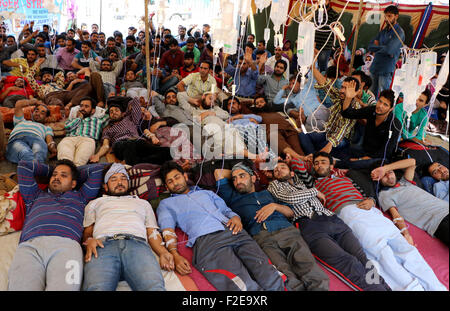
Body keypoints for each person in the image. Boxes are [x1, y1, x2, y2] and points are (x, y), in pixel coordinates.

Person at [291, 152, 447, 291]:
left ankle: (436, 287)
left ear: (331, 164)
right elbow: (297, 166)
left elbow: (364, 191)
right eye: (316, 163)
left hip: (371, 210)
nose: (319, 165)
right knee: (382, 254)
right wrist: (304, 157)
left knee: (407, 249)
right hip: (348, 212)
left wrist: (371, 200)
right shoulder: (312, 183)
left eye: (323, 162)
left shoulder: (345, 176)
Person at [156, 161, 286, 291]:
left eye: (177, 177)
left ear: (185, 176)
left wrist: (235, 217)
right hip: (208, 242)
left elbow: (226, 211)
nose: (175, 183)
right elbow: (168, 231)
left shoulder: (207, 193)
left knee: (267, 273)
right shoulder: (167, 204)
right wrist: (175, 255)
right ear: (167, 187)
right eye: (170, 181)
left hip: (234, 231)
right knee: (242, 285)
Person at [268, 159, 391, 291]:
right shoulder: (274, 185)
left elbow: (298, 162)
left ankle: (386, 288)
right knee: (347, 261)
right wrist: (314, 192)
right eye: (276, 170)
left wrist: (291, 159)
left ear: (292, 173)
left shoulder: (303, 182)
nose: (279, 170)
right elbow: (290, 198)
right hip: (309, 224)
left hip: (331, 218)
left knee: (361, 257)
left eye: (282, 167)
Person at [214, 163, 329, 291]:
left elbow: (290, 212)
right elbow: (218, 172)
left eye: (242, 176)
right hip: (261, 238)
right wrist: (238, 171)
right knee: (285, 274)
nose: (237, 181)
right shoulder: (231, 197)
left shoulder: (267, 193)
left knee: (307, 264)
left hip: (287, 231)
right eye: (234, 179)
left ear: (253, 178)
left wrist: (274, 206)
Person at [8, 159, 104, 291]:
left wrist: (75, 171)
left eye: (64, 175)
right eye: (54, 175)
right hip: (30, 246)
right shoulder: (34, 195)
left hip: (67, 246)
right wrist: (52, 170)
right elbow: (24, 165)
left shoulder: (81, 197)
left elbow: (97, 169)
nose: (57, 177)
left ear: (74, 184)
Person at [81, 163, 170, 291]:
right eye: (114, 179)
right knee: (96, 288)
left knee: (154, 287)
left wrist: (163, 253)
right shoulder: (95, 203)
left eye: (123, 178)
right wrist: (88, 241)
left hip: (137, 246)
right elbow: (88, 231)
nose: (120, 182)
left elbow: (152, 231)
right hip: (102, 246)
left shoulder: (142, 203)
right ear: (105, 186)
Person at [374, 158, 449, 247]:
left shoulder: (405, 182)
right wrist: (405, 234)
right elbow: (396, 216)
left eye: (390, 172)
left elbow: (412, 162)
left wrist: (384, 169)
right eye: (384, 176)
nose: (389, 176)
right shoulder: (384, 195)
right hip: (438, 222)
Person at [339, 86, 402, 169]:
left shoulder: (395, 124)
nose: (380, 106)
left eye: (385, 105)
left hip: (379, 159)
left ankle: (339, 164)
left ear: (391, 109)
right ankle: (340, 164)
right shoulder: (372, 110)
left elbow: (386, 152)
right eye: (380, 101)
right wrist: (348, 97)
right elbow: (347, 113)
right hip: (363, 151)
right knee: (340, 152)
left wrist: (360, 160)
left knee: (354, 163)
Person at [58, 97, 109, 167]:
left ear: (93, 110)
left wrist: (108, 102)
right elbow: (67, 128)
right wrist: (79, 118)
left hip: (87, 140)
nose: (82, 108)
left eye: (86, 106)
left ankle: (73, 176)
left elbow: (113, 114)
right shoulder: (73, 119)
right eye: (81, 106)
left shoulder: (98, 120)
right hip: (69, 139)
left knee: (79, 163)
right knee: (64, 162)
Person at [368, 5, 405, 98]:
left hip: (386, 68)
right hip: (375, 66)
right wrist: (383, 47)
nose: (387, 19)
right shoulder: (383, 31)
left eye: (390, 16)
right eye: (385, 16)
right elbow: (370, 46)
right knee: (371, 94)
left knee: (383, 95)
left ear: (396, 16)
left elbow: (390, 50)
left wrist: (378, 46)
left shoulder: (399, 32)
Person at [5, 99, 56, 164]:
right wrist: (35, 102)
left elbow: (50, 141)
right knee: (25, 152)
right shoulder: (21, 120)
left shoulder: (46, 128)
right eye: (36, 111)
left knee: (38, 153)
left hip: (37, 139)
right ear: (33, 112)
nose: (38, 113)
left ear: (46, 118)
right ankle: (36, 168)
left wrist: (52, 148)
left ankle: (32, 168)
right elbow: (18, 104)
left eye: (42, 113)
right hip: (18, 138)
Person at [314, 0, 340, 73]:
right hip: (314, 45)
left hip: (325, 47)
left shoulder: (334, 14)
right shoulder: (316, 12)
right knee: (312, 65)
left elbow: (336, 29)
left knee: (322, 67)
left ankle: (321, 82)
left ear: (328, 1)